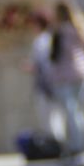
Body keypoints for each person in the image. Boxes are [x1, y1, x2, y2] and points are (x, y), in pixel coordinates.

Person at [49, 2, 84, 160]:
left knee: (72, 111)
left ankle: (77, 146)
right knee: (79, 112)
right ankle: (80, 144)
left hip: (68, 74)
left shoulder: (62, 31)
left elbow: (59, 55)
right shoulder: (79, 28)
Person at [24, 9, 62, 147]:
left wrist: (29, 67)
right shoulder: (51, 38)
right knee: (55, 116)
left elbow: (41, 64)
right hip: (55, 82)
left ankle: (54, 146)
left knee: (48, 117)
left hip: (45, 84)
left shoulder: (40, 41)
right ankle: (57, 144)